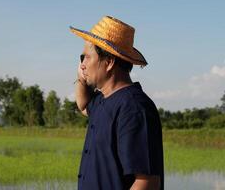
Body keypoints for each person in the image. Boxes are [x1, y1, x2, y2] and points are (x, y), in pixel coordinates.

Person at [69, 16, 164, 190]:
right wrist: (81, 78)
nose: (82, 64)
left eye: (87, 58)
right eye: (81, 58)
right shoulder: (102, 101)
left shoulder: (134, 108)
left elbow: (147, 182)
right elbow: (83, 106)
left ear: (109, 62)